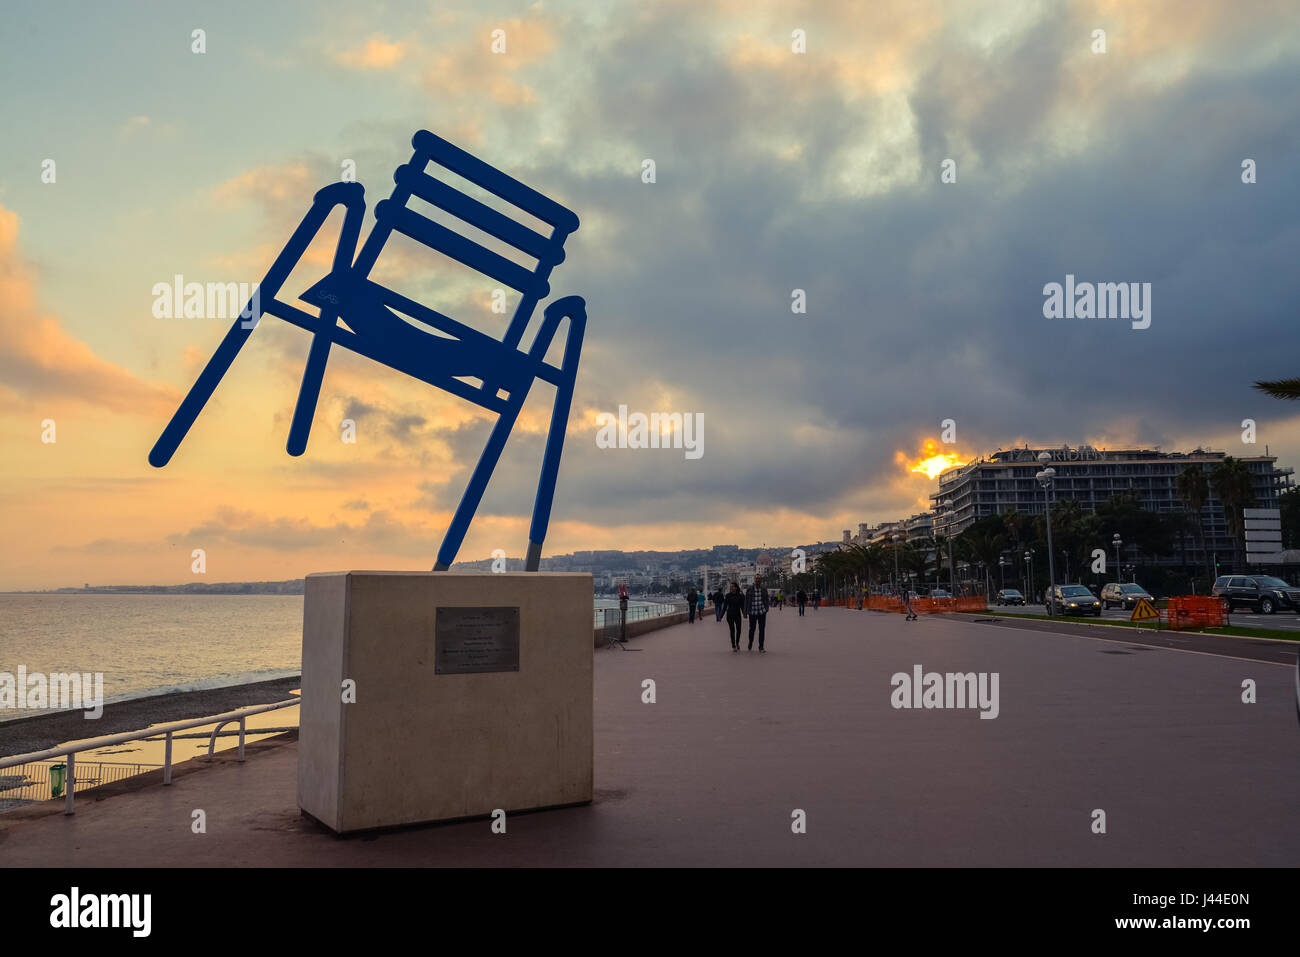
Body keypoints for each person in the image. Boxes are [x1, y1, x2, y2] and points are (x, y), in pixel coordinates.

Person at [744, 575, 770, 652]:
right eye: (756, 579)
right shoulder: (749, 589)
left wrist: (766, 608)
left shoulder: (764, 589)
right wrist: (745, 612)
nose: (758, 580)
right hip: (752, 612)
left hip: (762, 612)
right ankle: (750, 642)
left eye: (759, 579)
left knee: (762, 630)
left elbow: (766, 599)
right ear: (754, 580)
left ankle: (761, 647)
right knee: (752, 629)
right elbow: (746, 601)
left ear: (761, 580)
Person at [723, 582, 746, 651]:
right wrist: (721, 615)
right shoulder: (727, 595)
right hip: (730, 615)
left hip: (737, 615)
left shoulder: (740, 596)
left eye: (732, 586)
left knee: (739, 630)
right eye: (730, 587)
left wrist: (744, 614)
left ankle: (737, 642)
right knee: (732, 630)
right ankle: (733, 646)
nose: (731, 588)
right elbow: (725, 606)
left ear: (736, 588)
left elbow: (742, 605)